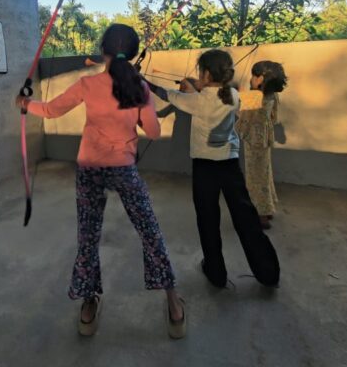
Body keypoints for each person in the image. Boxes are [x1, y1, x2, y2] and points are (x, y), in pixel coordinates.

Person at [15, 24, 186, 339]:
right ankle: (174, 304)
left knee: (88, 236)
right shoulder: (140, 87)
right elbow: (154, 132)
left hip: (90, 169)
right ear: (132, 53)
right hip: (123, 169)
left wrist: (26, 105)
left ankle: (88, 304)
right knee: (150, 232)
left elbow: (51, 110)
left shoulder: (88, 84)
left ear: (103, 51)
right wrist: (136, 112)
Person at [147, 49, 280, 289]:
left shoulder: (198, 100)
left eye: (201, 73)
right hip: (230, 165)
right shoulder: (231, 94)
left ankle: (216, 272)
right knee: (246, 218)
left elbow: (166, 94)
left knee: (207, 219)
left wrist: (143, 81)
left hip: (205, 168)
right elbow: (250, 98)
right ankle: (268, 273)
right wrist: (201, 86)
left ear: (206, 74)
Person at [236, 61, 287, 230]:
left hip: (254, 140)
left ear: (260, 79)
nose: (251, 79)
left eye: (253, 76)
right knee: (264, 173)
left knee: (255, 178)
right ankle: (268, 208)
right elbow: (274, 118)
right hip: (265, 137)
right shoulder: (273, 95)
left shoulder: (253, 97)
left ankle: (261, 215)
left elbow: (243, 119)